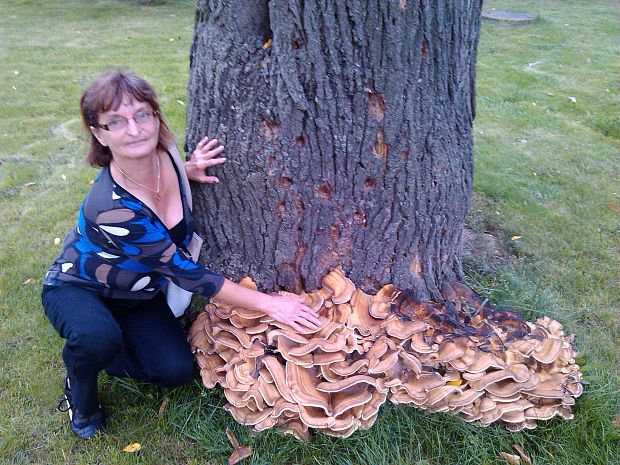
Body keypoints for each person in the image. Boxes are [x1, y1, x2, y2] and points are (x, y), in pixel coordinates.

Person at [41, 70, 321, 439]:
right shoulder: (112, 208)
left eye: (143, 114)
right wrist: (271, 305)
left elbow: (162, 176)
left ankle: (106, 341)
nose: (135, 129)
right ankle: (80, 383)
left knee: (174, 371)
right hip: (80, 287)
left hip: (137, 294)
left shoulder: (168, 154)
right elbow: (186, 273)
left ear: (156, 116)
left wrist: (187, 170)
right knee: (95, 337)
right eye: (116, 122)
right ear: (99, 133)